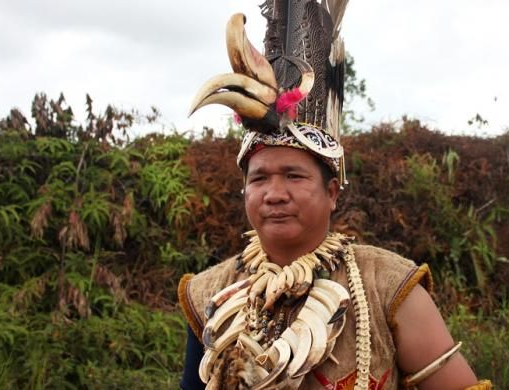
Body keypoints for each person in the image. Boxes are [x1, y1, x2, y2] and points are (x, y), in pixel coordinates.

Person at [178, 2, 491, 389]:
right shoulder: (211, 291)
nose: (274, 194)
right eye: (259, 179)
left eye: (293, 176)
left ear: (331, 193)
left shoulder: (388, 285)